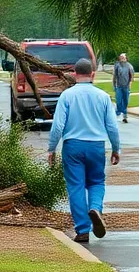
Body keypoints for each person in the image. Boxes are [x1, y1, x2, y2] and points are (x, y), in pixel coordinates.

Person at [47, 58, 121, 243]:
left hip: (73, 146)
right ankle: (95, 208)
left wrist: (52, 148)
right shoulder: (103, 96)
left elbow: (58, 126)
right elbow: (112, 127)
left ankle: (82, 230)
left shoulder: (67, 95)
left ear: (74, 74)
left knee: (76, 186)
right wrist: (115, 148)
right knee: (96, 182)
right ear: (93, 74)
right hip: (96, 145)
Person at [112, 53, 135, 123]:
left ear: (126, 58)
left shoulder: (129, 66)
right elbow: (114, 76)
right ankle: (117, 113)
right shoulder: (117, 65)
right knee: (118, 100)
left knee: (125, 101)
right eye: (121, 57)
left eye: (123, 57)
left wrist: (130, 85)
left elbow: (132, 77)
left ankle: (125, 116)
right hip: (119, 86)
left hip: (126, 86)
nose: (122, 59)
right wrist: (114, 84)